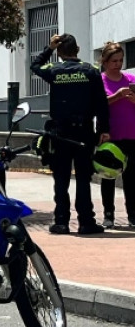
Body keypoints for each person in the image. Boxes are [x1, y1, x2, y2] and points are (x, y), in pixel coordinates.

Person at [31, 33, 110, 235]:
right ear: (78, 50)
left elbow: (35, 66)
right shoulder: (90, 71)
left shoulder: (54, 70)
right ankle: (86, 222)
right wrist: (104, 130)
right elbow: (102, 103)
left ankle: (61, 222)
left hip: (60, 133)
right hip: (84, 132)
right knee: (83, 178)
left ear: (59, 52)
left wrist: (49, 48)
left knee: (61, 179)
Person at [98, 42, 135, 228]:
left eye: (121, 60)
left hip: (132, 134)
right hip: (110, 136)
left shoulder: (130, 79)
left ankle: (133, 215)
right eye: (114, 61)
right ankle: (108, 214)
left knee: (132, 178)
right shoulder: (100, 81)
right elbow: (98, 105)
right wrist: (118, 96)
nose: (118, 64)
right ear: (105, 62)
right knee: (108, 175)